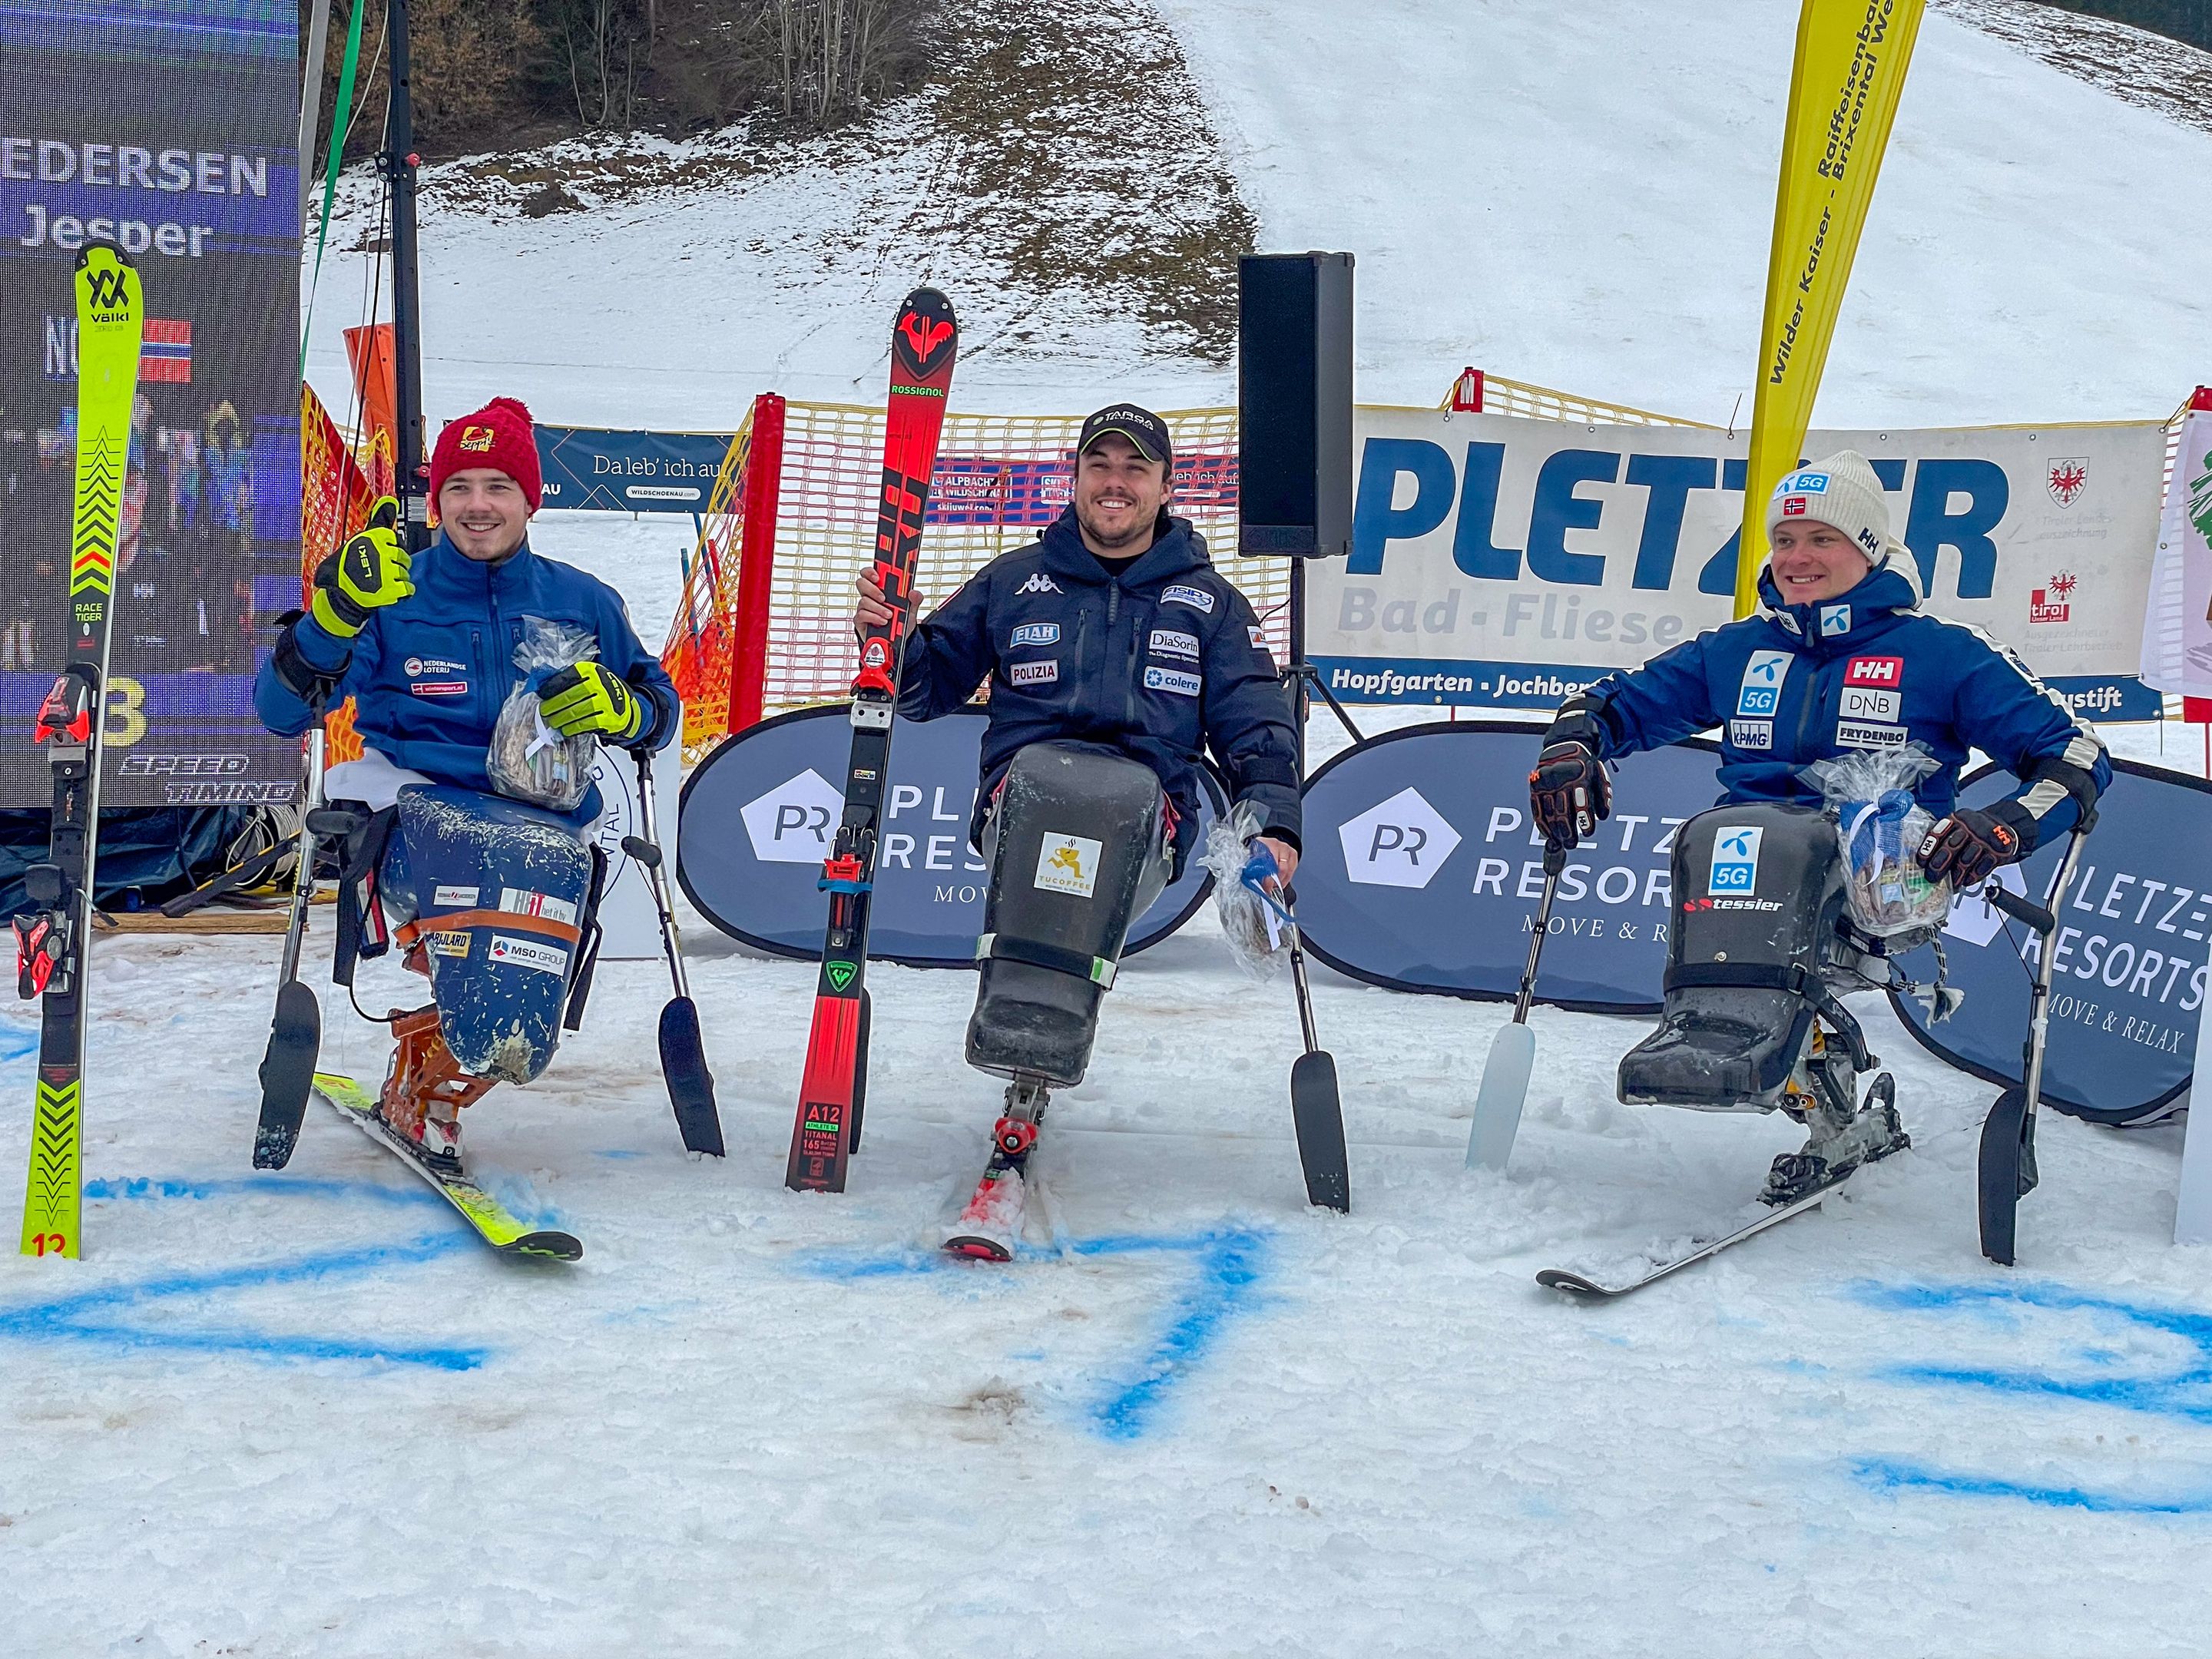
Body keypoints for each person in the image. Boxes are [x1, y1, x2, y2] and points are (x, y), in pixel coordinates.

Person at [1528, 449, 2110, 1203]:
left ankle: (1766, 1051)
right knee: (1718, 837)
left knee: (1779, 845)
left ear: (1868, 548)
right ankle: (1788, 1082)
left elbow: (2076, 753)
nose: (1797, 557)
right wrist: (1572, 748)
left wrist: (2001, 824)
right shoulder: (1740, 649)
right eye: (1785, 539)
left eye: (1822, 539)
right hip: (1757, 868)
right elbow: (1607, 705)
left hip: (1893, 871)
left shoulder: (1940, 652)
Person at [852, 402, 1303, 1257]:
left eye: (1135, 468)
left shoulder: (1207, 603)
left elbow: (1256, 728)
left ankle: (1031, 1072)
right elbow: (922, 691)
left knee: (1101, 801)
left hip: (1147, 820)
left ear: (1166, 486)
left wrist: (1274, 829)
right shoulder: (1017, 579)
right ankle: (1026, 1076)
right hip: (1020, 805)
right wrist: (890, 639)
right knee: (1055, 788)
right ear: (1077, 477)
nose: (1116, 482)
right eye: (1100, 464)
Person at [254, 396, 677, 1173]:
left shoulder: (582, 600)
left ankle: (436, 1059)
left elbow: (660, 712)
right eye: (459, 487)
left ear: (530, 499)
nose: (477, 506)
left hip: (544, 823)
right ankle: (435, 1078)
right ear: (438, 497)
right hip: (411, 812)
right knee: (509, 882)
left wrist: (628, 707)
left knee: (531, 897)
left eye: (497, 486)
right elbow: (280, 712)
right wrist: (336, 613)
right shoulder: (393, 591)